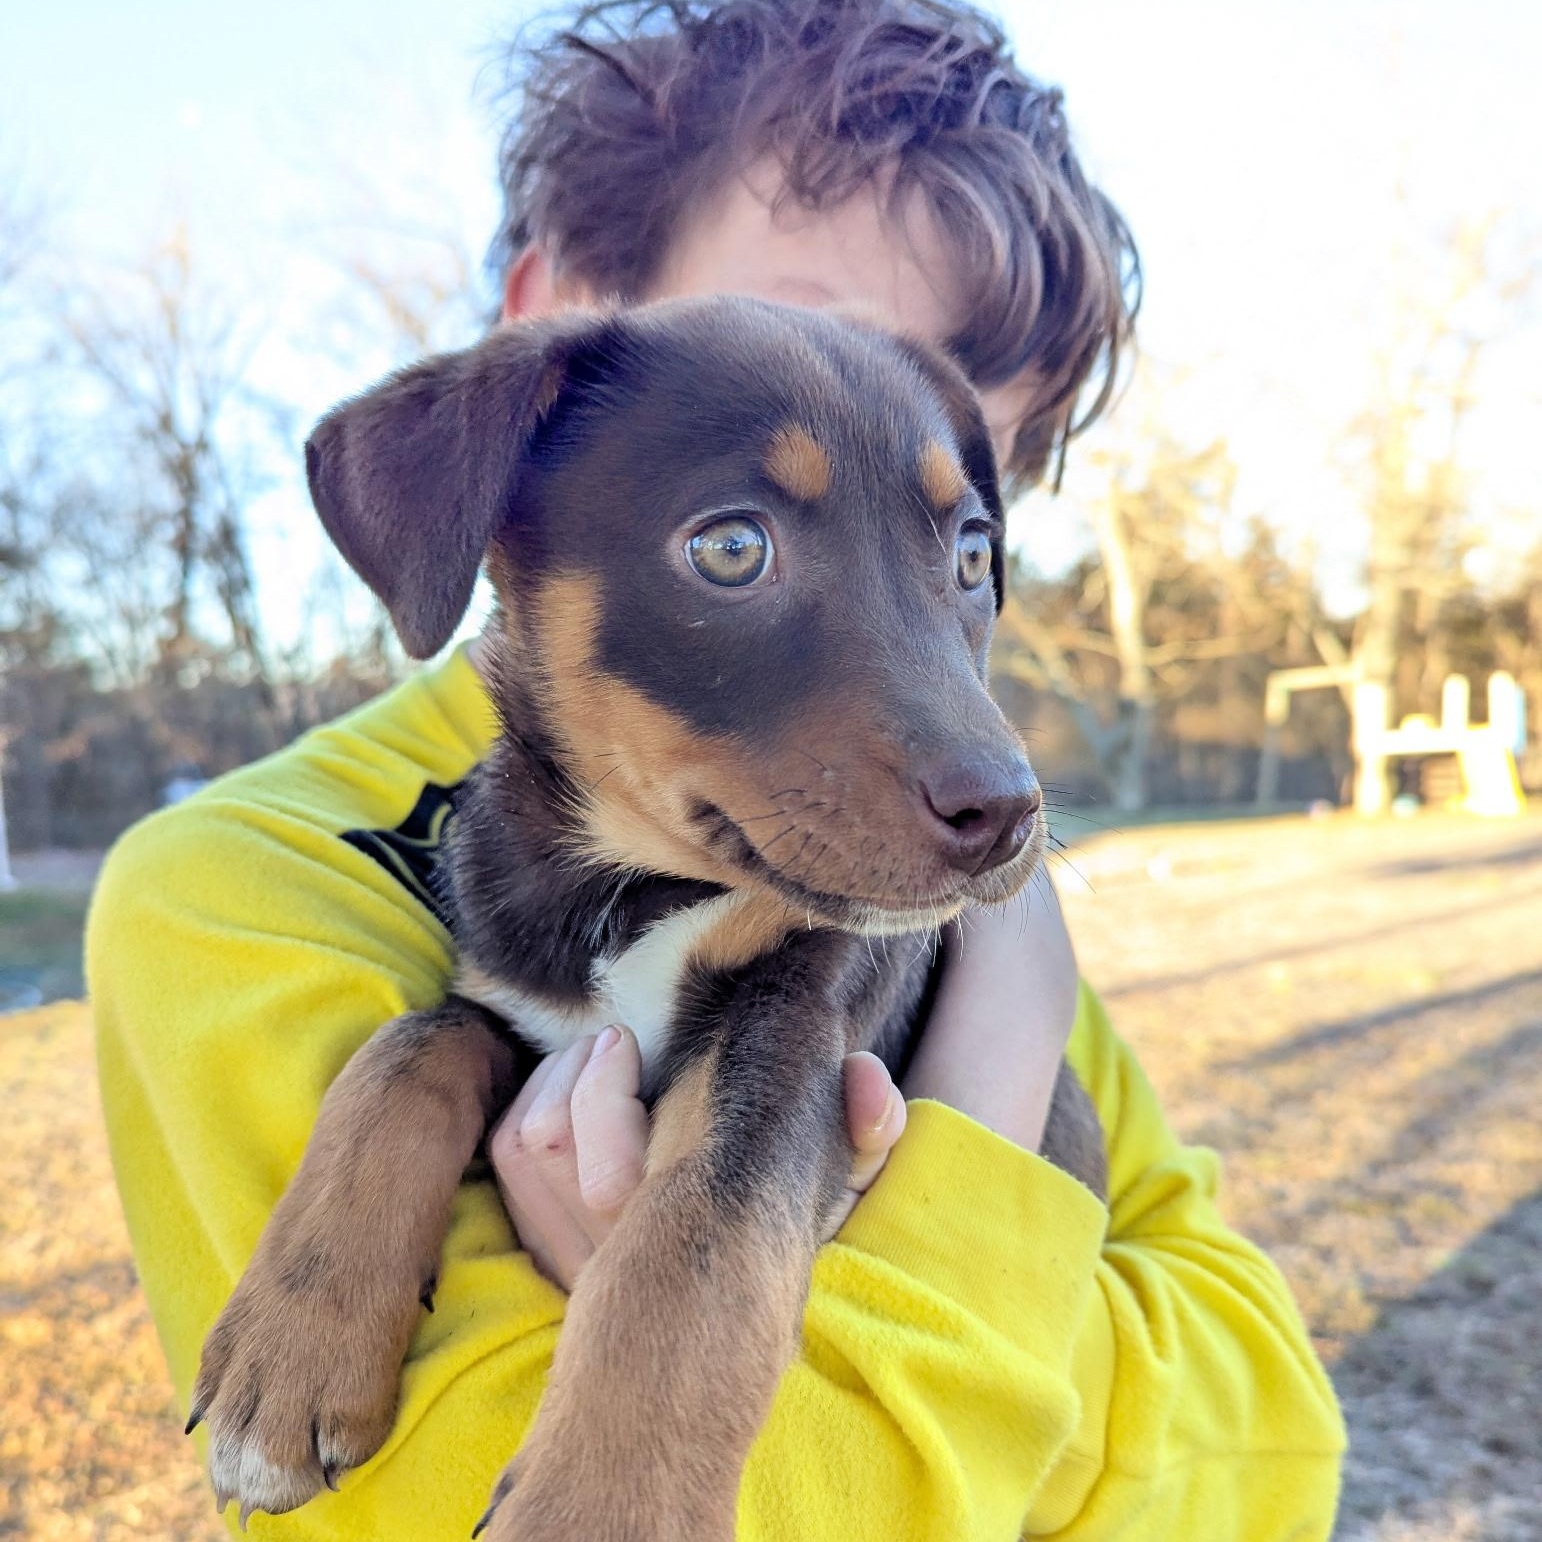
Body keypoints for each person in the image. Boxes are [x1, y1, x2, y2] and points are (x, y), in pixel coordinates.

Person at [87, 1, 1346, 1537]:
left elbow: (1276, 1435)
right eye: (737, 538)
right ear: (541, 349)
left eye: (952, 536)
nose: (972, 750)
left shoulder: (926, 893)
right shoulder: (243, 896)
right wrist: (977, 1150)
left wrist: (984, 1086)